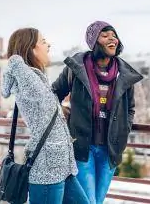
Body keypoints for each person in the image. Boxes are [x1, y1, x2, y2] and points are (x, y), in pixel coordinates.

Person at [52, 21, 143, 204]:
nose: (112, 39)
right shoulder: (76, 68)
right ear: (94, 42)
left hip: (110, 149)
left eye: (114, 35)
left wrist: (123, 129)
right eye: (105, 35)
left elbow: (130, 108)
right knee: (89, 202)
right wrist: (61, 109)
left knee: (97, 201)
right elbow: (52, 94)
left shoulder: (124, 74)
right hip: (83, 147)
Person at [1, 28, 89, 204]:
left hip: (62, 167)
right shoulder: (26, 79)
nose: (48, 44)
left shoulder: (36, 76)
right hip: (46, 170)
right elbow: (41, 97)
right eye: (43, 41)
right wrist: (16, 60)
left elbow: (45, 108)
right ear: (31, 48)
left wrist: (60, 110)